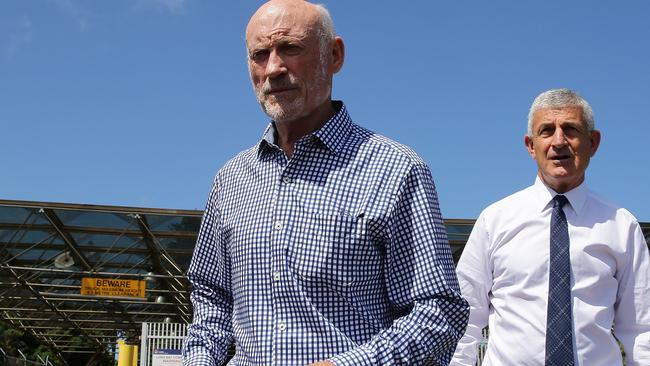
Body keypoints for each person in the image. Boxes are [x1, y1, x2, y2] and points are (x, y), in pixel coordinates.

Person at [183, 1, 469, 365]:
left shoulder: (395, 170)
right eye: (260, 54)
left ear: (334, 55)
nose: (273, 68)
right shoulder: (231, 179)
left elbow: (439, 311)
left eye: (290, 48)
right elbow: (212, 298)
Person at [451, 88, 650, 365]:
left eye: (570, 129)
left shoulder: (621, 226)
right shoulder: (494, 221)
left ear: (593, 142)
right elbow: (465, 317)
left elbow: (641, 329)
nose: (559, 141)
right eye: (546, 131)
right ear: (531, 146)